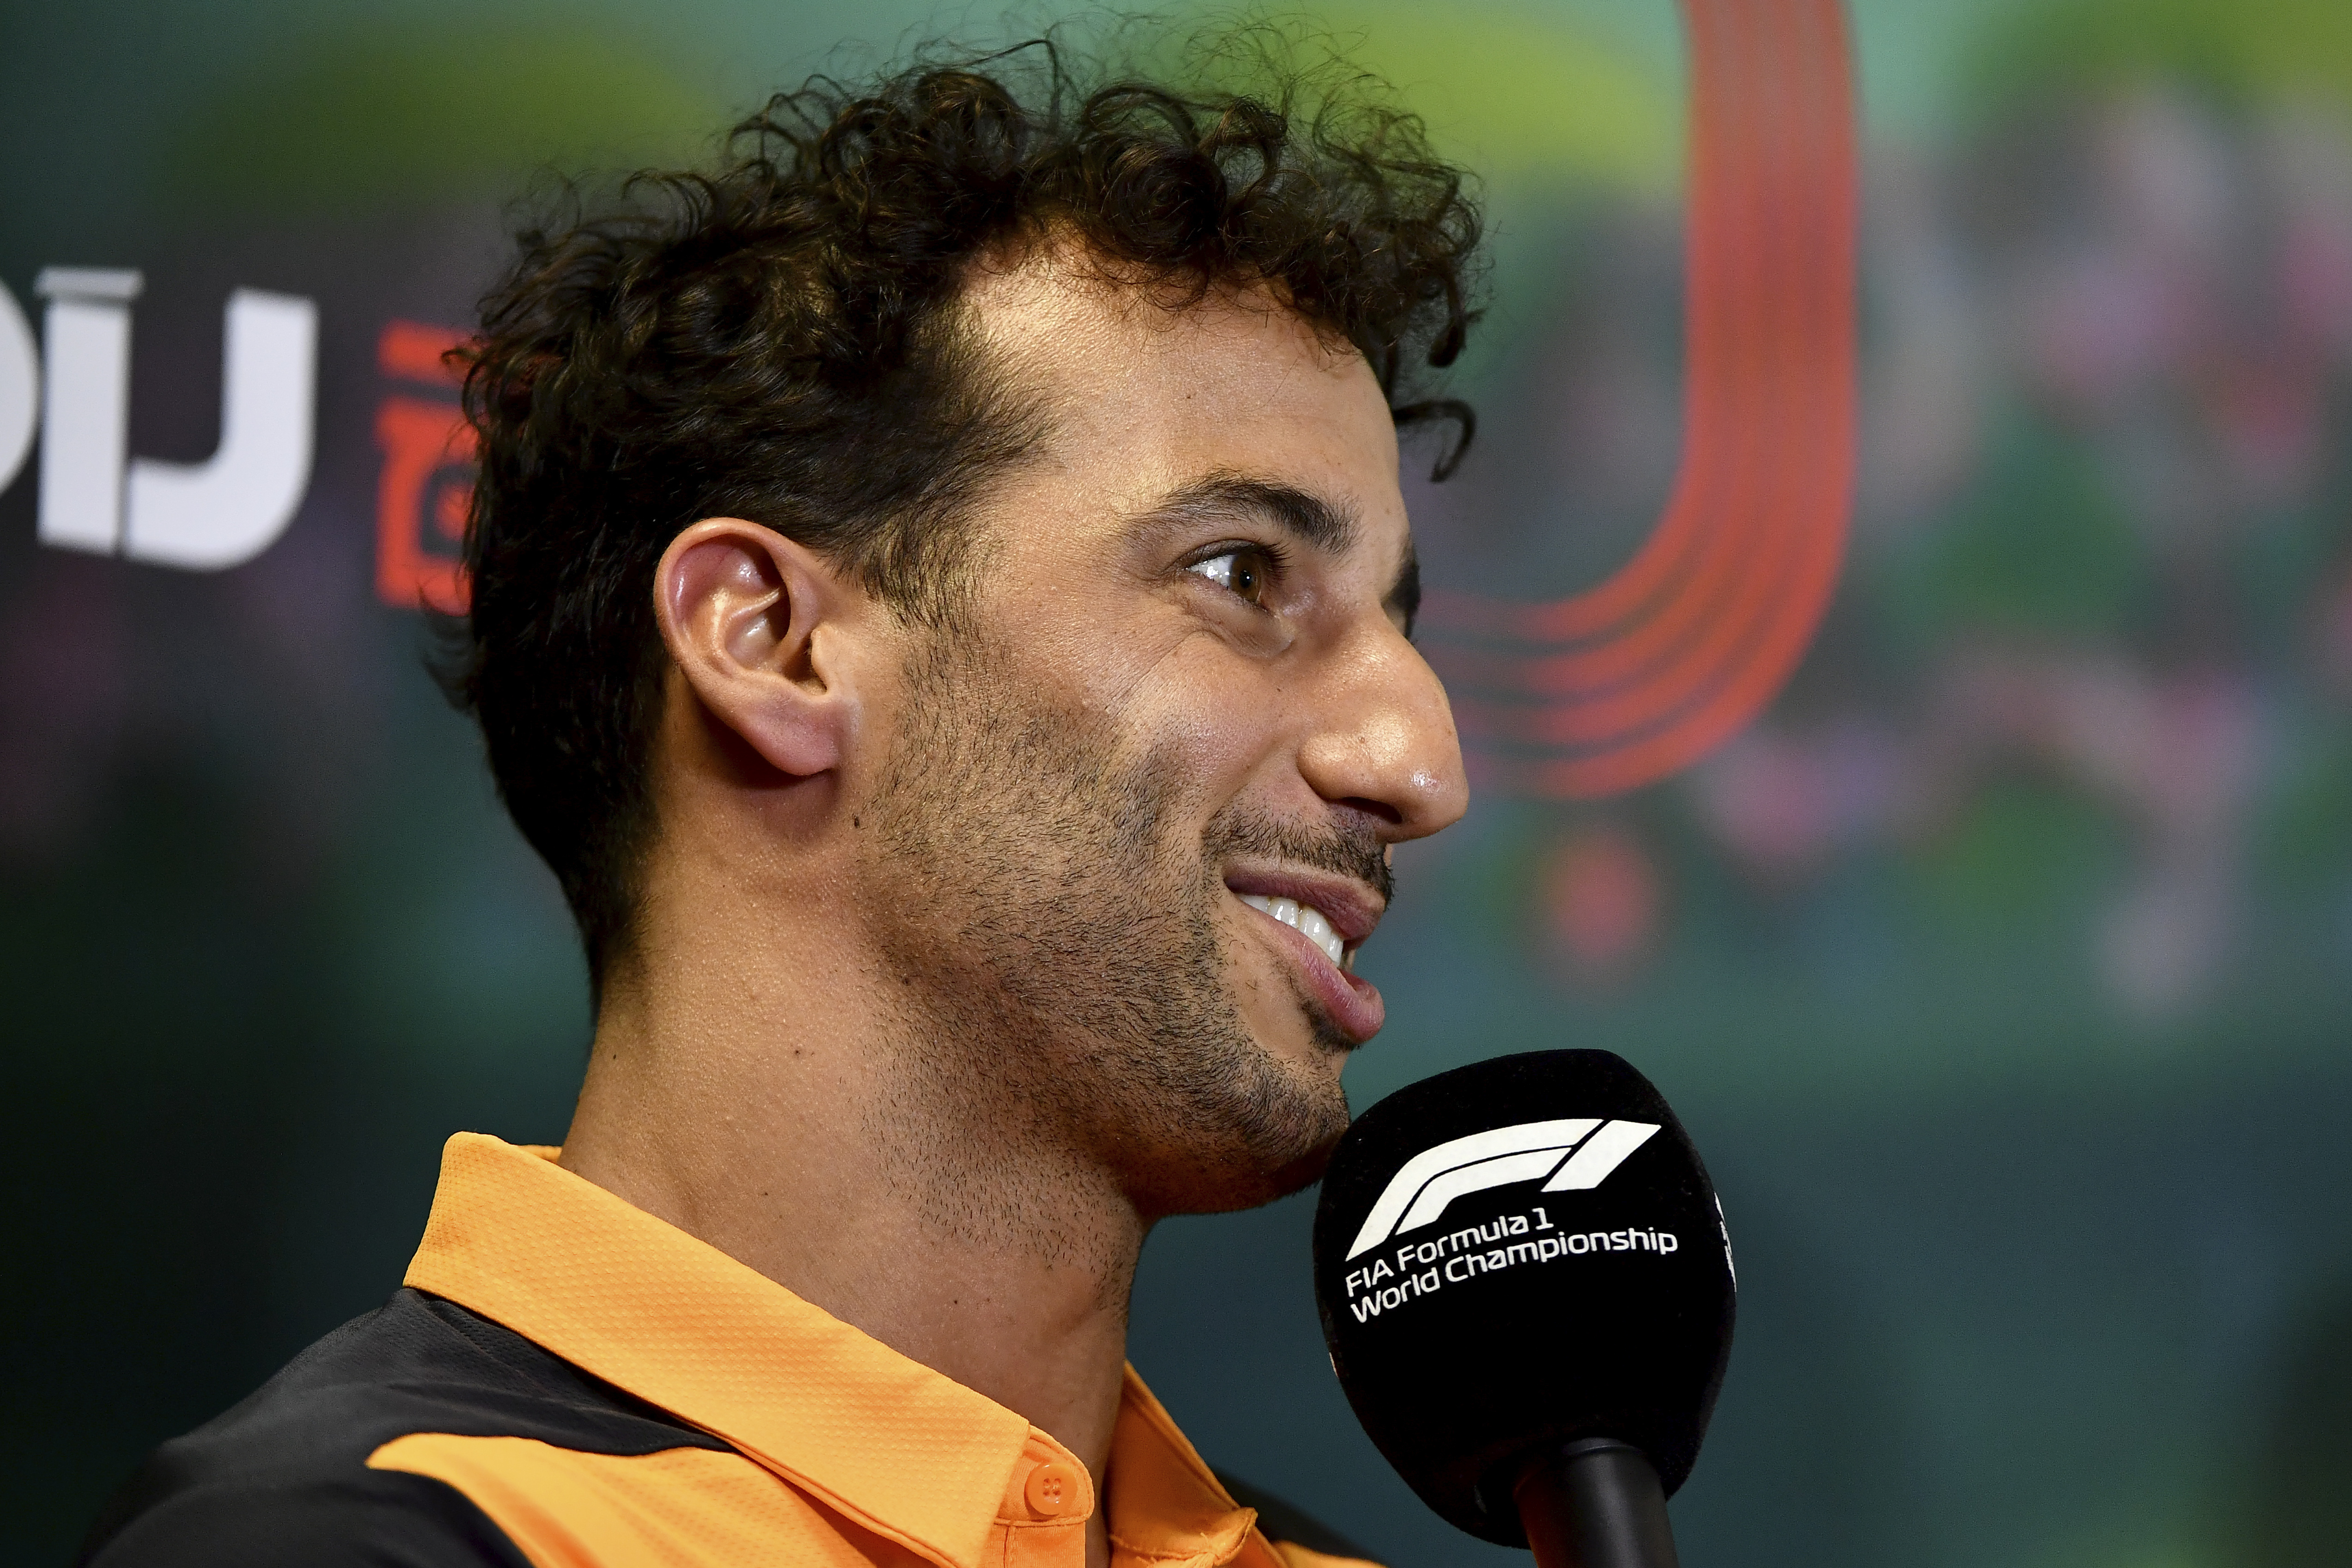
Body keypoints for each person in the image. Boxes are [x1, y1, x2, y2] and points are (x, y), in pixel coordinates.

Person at [79, 33, 1478, 1568]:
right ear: (774, 643)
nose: (1420, 765)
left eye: (1396, 620)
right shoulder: (372, 1543)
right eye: (1240, 576)